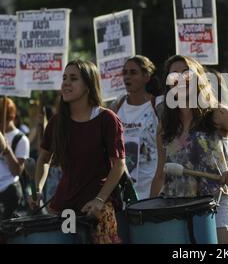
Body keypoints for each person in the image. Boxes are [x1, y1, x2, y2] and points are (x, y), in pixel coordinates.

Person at [150, 55, 228, 244]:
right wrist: (151, 212)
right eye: (174, 75)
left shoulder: (217, 113)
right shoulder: (164, 125)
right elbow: (160, 174)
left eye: (186, 73)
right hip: (177, 205)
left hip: (217, 202)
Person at [31, 60, 126, 244]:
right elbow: (43, 158)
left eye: (73, 78)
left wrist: (99, 200)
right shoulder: (57, 122)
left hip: (97, 208)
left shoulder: (107, 119)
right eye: (64, 78)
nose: (66, 83)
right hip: (64, 208)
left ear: (88, 85)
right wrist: (37, 189)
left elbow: (119, 165)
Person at [110, 55, 160, 200]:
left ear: (146, 76)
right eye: (125, 73)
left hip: (152, 188)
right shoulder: (118, 105)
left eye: (133, 72)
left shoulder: (158, 105)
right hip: (124, 191)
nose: (127, 77)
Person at [0, 98, 30, 220]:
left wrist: (6, 149)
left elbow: (17, 171)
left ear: (11, 117)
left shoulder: (21, 139)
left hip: (8, 191)